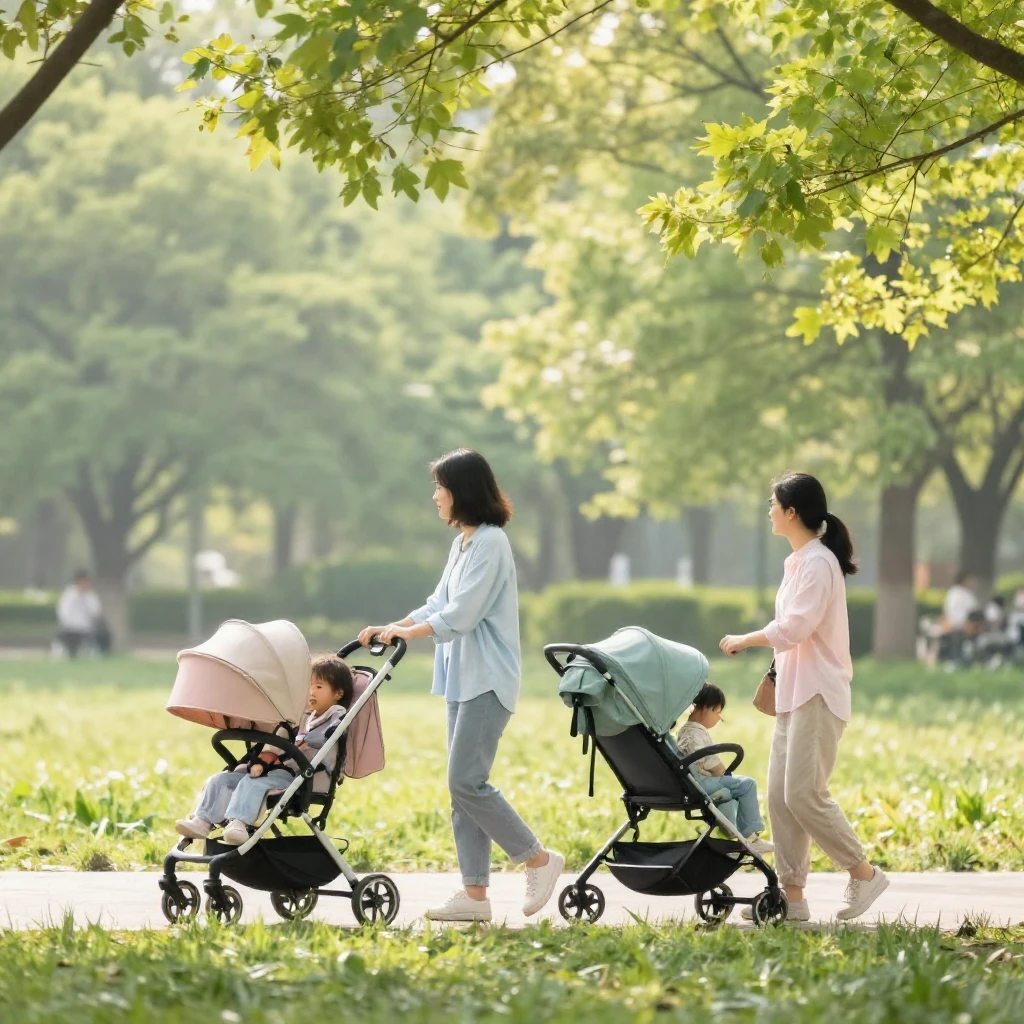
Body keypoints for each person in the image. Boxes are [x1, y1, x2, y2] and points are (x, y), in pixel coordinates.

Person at [358, 448, 564, 923]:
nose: (434, 497)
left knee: (465, 781)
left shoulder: (492, 543)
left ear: (461, 492)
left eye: (440, 488)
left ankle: (538, 859)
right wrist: (395, 624)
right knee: (462, 790)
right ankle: (474, 897)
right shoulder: (465, 543)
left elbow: (463, 614)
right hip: (461, 679)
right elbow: (438, 602)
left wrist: (406, 634)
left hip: (487, 679)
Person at [719, 472, 889, 923]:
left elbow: (795, 629)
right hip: (794, 694)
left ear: (792, 512)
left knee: (804, 794)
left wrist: (745, 638)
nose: (769, 511)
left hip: (818, 694)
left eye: (773, 503)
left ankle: (864, 872)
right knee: (780, 797)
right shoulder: (798, 563)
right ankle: (792, 900)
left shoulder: (817, 564)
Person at [175, 654, 353, 845]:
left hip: (301, 777)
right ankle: (202, 821)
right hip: (278, 770)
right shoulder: (305, 717)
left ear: (338, 694)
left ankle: (239, 823)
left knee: (253, 784)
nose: (311, 692)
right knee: (220, 780)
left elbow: (322, 739)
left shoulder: (336, 717)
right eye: (309, 686)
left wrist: (302, 740)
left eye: (318, 687)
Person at [674, 683, 774, 855]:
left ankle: (732, 833)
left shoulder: (685, 730)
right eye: (717, 713)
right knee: (747, 784)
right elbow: (706, 760)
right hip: (702, 783)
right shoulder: (695, 734)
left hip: (694, 782)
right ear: (707, 708)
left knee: (732, 789)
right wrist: (722, 772)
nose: (718, 719)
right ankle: (751, 837)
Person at [56, 570, 110, 657]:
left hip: (86, 627)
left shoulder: (91, 596)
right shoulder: (69, 595)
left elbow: (96, 611)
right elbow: (63, 611)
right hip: (70, 627)